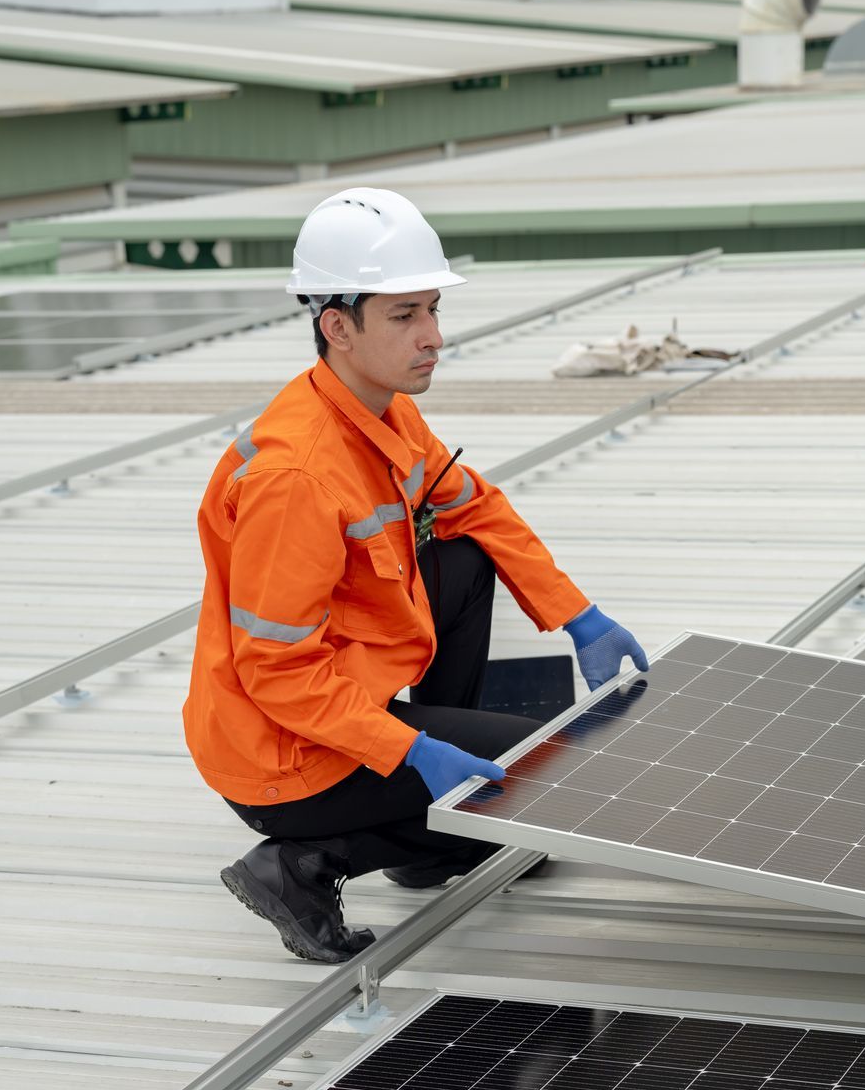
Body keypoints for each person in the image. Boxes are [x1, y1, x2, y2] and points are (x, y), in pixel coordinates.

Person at [183, 187, 648, 963]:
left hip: (337, 691)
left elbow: (477, 508)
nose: (433, 337)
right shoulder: (295, 475)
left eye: (432, 309)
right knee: (544, 770)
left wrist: (579, 616)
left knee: (463, 559)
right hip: (281, 752)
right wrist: (408, 750)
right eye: (405, 317)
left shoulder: (382, 410)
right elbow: (275, 672)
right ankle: (301, 864)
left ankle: (431, 836)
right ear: (338, 326)